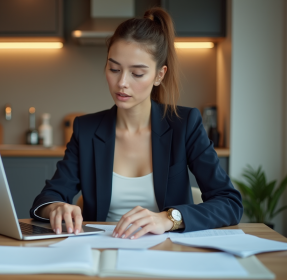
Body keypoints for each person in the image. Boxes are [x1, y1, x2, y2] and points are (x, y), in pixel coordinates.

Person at [30, 7, 243, 239]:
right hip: (101, 249)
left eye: (137, 73)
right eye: (114, 69)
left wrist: (168, 218)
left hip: (168, 253)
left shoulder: (185, 125)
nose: (122, 82)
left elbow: (229, 202)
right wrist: (57, 207)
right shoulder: (86, 130)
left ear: (159, 75)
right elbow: (47, 197)